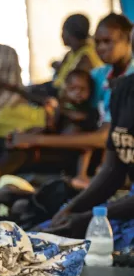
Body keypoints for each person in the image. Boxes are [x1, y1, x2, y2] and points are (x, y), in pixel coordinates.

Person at [9, 14, 134, 152]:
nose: (101, 48)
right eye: (97, 42)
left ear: (128, 40)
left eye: (107, 41)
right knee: (9, 145)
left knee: (23, 150)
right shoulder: (100, 74)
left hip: (116, 153)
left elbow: (104, 137)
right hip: (92, 142)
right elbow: (72, 101)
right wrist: (56, 108)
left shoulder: (129, 80)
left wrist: (34, 140)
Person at [45, 72, 134, 238]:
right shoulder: (123, 90)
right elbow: (113, 170)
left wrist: (90, 217)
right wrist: (70, 210)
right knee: (45, 230)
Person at [0, 69, 99, 184]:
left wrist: (81, 174)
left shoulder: (87, 114)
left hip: (61, 157)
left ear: (90, 91)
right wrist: (27, 133)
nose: (77, 93)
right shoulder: (62, 108)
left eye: (82, 89)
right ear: (65, 89)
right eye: (73, 89)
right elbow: (49, 129)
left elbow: (83, 143)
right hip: (47, 149)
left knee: (17, 155)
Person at [51, 14, 103, 91]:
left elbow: (72, 89)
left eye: (63, 31)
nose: (61, 35)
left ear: (71, 34)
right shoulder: (71, 53)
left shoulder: (86, 58)